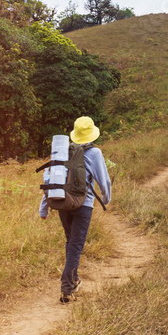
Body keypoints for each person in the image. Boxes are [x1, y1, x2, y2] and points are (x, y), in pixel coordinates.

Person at [39, 116, 112, 304]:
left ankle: (73, 279)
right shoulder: (94, 153)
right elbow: (104, 180)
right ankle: (67, 287)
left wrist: (44, 207)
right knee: (76, 246)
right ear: (92, 134)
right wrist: (106, 199)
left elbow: (53, 178)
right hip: (83, 205)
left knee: (71, 242)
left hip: (62, 201)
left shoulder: (64, 151)